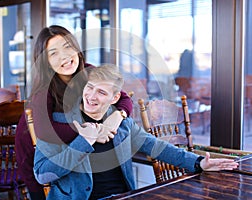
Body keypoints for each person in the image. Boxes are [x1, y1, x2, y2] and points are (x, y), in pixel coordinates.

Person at [34, 64, 239, 200]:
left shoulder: (122, 124)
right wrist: (83, 142)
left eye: (102, 92)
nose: (91, 96)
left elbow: (158, 147)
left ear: (115, 98)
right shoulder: (58, 123)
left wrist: (199, 162)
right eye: (90, 87)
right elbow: (42, 175)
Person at [15, 25, 132, 200]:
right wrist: (92, 132)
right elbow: (46, 132)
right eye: (53, 53)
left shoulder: (88, 71)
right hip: (35, 163)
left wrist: (117, 116)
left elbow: (123, 98)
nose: (64, 56)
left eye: (68, 47)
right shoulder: (43, 92)